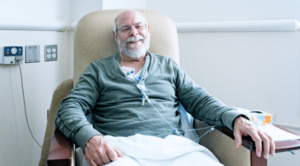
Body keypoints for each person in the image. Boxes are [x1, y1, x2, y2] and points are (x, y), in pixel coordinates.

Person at [55, 10, 275, 166]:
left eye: (139, 26)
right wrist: (89, 138)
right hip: (119, 150)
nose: (134, 32)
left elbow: (200, 100)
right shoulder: (98, 70)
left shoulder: (168, 66)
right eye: (125, 28)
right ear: (116, 36)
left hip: (174, 149)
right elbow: (69, 108)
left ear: (148, 30)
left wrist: (235, 118)